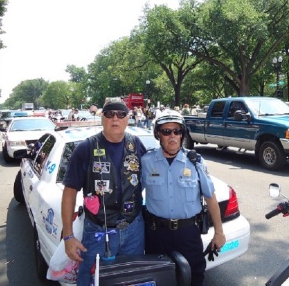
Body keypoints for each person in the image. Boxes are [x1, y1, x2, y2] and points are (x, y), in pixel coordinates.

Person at [62, 98, 147, 286]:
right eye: (109, 114)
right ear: (102, 118)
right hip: (97, 232)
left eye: (121, 114)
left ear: (128, 118)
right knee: (92, 280)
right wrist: (68, 235)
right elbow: (69, 191)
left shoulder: (136, 145)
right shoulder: (86, 148)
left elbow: (154, 178)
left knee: (131, 280)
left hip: (133, 229)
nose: (115, 118)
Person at [141, 111, 226, 286]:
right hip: (157, 234)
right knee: (158, 279)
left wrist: (219, 232)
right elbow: (132, 195)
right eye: (166, 132)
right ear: (158, 135)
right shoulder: (146, 161)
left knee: (194, 277)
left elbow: (210, 197)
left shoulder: (195, 161)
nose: (172, 136)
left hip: (188, 234)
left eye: (177, 131)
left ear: (182, 134)